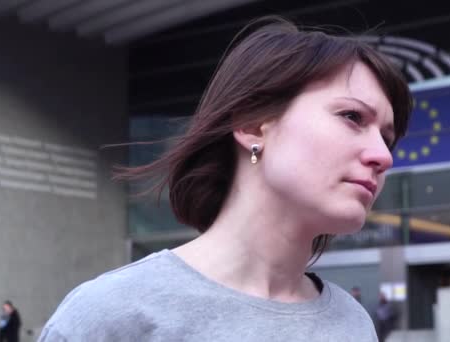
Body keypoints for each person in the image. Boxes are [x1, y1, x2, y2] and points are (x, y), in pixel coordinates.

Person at [39, 16, 412, 341]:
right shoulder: (113, 316)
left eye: (387, 137)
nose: (383, 156)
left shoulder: (352, 324)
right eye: (352, 117)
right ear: (252, 125)